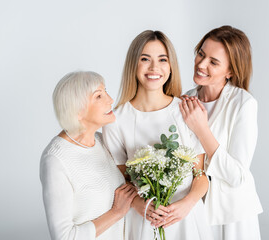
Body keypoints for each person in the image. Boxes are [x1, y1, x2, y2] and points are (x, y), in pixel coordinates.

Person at [102, 30, 213, 240]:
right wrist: (142, 206)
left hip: (187, 220)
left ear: (170, 66)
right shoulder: (117, 120)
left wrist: (186, 205)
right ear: (133, 64)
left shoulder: (186, 111)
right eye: (145, 59)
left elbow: (201, 175)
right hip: (144, 222)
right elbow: (122, 181)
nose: (154, 68)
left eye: (162, 59)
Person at [179, 25, 263, 240]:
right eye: (201, 54)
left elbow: (237, 176)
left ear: (230, 71)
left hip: (231, 215)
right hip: (193, 209)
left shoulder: (243, 104)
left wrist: (202, 129)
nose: (201, 64)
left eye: (213, 62)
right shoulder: (184, 100)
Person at [40, 71, 137, 240]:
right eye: (99, 96)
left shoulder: (102, 142)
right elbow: (64, 237)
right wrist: (116, 212)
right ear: (77, 111)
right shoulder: (55, 160)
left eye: (105, 91)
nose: (110, 100)